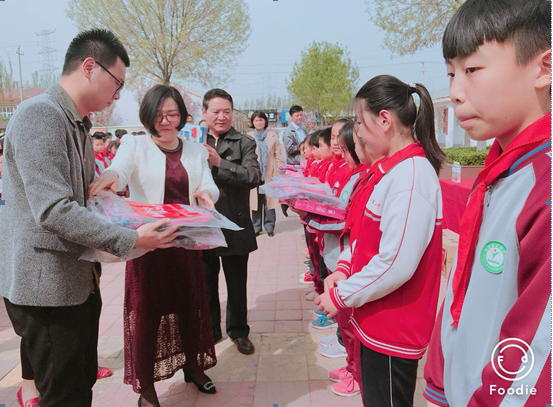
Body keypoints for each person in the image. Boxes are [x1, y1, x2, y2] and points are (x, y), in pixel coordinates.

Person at [0, 29, 181, 407]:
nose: (117, 95)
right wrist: (132, 240)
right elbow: (53, 209)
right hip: (48, 290)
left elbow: (74, 199)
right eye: (117, 83)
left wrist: (112, 203)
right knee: (64, 395)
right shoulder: (40, 116)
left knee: (79, 386)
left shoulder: (75, 122)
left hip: (75, 281)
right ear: (89, 67)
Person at [424, 1, 551, 406]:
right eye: (451, 73)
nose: (455, 92)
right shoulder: (501, 172)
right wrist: (440, 379)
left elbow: (539, 352)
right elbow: (462, 293)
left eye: (473, 69)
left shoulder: (544, 189)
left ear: (544, 68)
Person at [316, 75, 445, 407]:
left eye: (360, 122)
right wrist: (344, 269)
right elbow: (365, 238)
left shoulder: (411, 177)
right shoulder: (393, 171)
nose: (356, 133)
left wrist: (341, 296)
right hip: (376, 319)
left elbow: (396, 262)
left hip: (393, 329)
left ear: (384, 120)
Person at [90, 84, 219, 406]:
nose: (166, 121)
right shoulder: (135, 144)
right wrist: (111, 176)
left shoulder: (195, 150)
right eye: (159, 115)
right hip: (149, 245)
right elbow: (120, 169)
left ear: (182, 116)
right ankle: (146, 387)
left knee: (191, 310)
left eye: (172, 114)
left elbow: (207, 182)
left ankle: (194, 367)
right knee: (146, 316)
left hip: (185, 244)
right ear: (147, 116)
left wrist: (207, 195)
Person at [310, 120, 373, 397]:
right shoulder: (353, 174)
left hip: (349, 262)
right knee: (345, 323)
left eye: (347, 147)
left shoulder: (365, 176)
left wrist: (314, 214)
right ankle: (351, 367)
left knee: (350, 323)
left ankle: (357, 374)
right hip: (340, 257)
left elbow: (349, 220)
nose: (340, 149)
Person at [201, 88, 261, 355]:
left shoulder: (244, 142)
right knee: (205, 282)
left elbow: (253, 176)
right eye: (216, 111)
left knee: (236, 283)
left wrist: (219, 163)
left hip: (233, 222)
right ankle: (210, 330)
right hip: (203, 223)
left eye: (227, 111)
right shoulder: (192, 140)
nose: (222, 116)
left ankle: (238, 331)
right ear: (204, 113)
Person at [247, 110, 284, 237]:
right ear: (253, 122)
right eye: (256, 120)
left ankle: (270, 227)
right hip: (255, 174)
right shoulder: (248, 136)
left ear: (265, 121)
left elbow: (278, 154)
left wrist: (278, 170)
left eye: (261, 120)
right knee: (256, 202)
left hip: (269, 173)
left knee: (269, 201)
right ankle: (256, 227)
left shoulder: (272, 135)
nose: (258, 122)